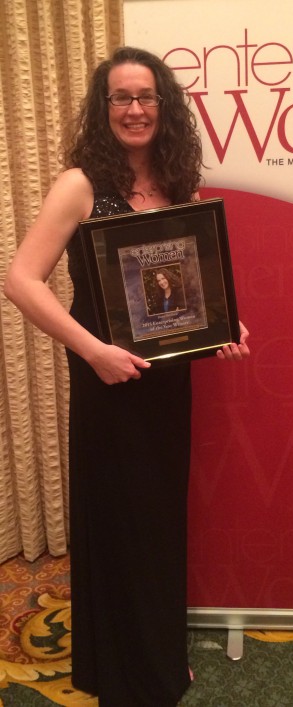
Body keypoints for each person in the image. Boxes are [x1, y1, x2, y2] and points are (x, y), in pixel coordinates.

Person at [3, 46, 249, 707]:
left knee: (159, 520)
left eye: (147, 97)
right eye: (121, 98)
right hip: (108, 382)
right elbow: (21, 279)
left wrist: (225, 328)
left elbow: (191, 294)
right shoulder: (81, 184)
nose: (136, 109)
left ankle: (159, 652)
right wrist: (92, 351)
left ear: (164, 106)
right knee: (119, 520)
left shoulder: (178, 184)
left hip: (167, 383)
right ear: (103, 108)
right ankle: (120, 669)